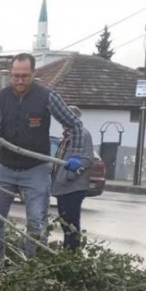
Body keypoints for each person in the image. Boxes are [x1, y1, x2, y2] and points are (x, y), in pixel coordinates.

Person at [0, 52, 85, 270]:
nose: (19, 81)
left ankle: (30, 271)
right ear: (11, 74)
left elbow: (74, 124)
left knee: (36, 224)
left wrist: (76, 153)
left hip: (35, 169)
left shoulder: (47, 97)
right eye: (16, 76)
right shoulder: (1, 98)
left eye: (24, 76)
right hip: (5, 167)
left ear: (33, 74)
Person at [50, 105, 95, 251]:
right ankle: (67, 251)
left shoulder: (82, 134)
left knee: (71, 223)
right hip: (62, 187)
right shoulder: (67, 137)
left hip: (73, 187)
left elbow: (87, 159)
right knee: (65, 222)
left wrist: (70, 174)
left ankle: (72, 253)